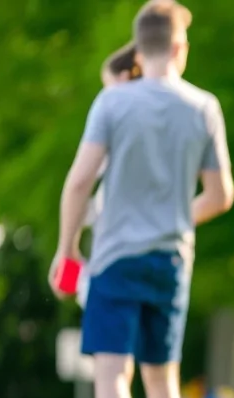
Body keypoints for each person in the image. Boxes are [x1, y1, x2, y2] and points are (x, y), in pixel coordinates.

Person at [50, 0, 234, 398]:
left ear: (140, 47)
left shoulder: (112, 103)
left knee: (113, 373)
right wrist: (174, 216)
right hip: (172, 259)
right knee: (162, 377)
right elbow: (220, 196)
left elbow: (80, 181)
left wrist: (67, 249)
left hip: (113, 258)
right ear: (180, 48)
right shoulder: (203, 106)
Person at [76, 42, 143, 308]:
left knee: (109, 344)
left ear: (125, 77)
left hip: (115, 251)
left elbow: (80, 183)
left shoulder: (114, 115)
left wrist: (68, 248)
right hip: (165, 255)